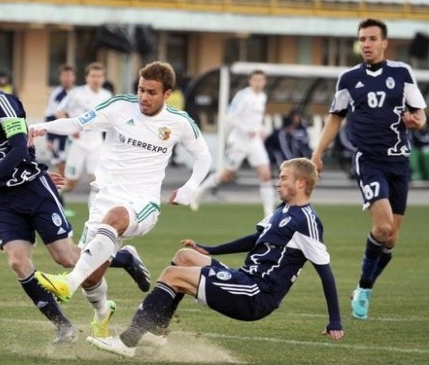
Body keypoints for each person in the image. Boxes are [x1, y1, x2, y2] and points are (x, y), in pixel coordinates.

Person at [0, 45, 151, 344]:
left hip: (34, 192)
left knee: (66, 258)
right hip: (5, 201)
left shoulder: (3, 104)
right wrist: (34, 167)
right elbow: (10, 151)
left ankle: (124, 256)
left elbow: (17, 147)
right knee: (17, 262)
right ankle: (63, 326)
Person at [28, 61, 212, 341]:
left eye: (151, 92)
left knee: (110, 224)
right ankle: (103, 312)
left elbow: (204, 156)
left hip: (143, 203)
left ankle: (68, 284)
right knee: (90, 273)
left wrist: (190, 187)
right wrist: (42, 126)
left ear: (167, 94)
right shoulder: (119, 107)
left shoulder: (179, 122)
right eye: (141, 90)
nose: (144, 97)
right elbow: (78, 123)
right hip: (104, 197)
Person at [87, 158, 344, 358]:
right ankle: (156, 329)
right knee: (184, 256)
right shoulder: (283, 210)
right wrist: (210, 249)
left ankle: (127, 341)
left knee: (171, 275)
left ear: (301, 183)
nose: (278, 182)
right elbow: (255, 239)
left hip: (256, 294)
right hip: (245, 279)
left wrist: (334, 319)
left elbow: (325, 271)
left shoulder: (307, 222)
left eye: (283, 178)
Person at [311, 18, 427, 320]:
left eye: (372, 39)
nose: (366, 44)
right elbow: (335, 117)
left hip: (399, 160)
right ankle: (363, 289)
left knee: (391, 239)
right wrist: (318, 152)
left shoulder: (402, 73)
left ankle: (365, 286)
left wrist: (417, 121)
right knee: (383, 226)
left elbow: (420, 114)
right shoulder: (348, 79)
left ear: (384, 43)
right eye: (362, 39)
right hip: (369, 159)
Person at [190, 70, 274, 217]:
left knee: (266, 175)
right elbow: (230, 117)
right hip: (239, 142)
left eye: (261, 80)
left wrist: (262, 130)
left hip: (255, 142)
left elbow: (256, 119)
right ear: (250, 80)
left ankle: (269, 213)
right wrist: (245, 130)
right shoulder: (243, 96)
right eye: (255, 80)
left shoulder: (262, 97)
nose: (258, 83)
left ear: (265, 82)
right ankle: (199, 191)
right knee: (226, 175)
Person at [55, 62, 112, 204]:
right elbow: (59, 111)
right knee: (70, 184)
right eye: (93, 76)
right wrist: (71, 127)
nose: (96, 79)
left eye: (99, 76)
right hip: (77, 144)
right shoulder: (76, 93)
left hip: (97, 144)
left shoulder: (107, 95)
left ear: (103, 78)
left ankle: (95, 217)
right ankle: (53, 199)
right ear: (87, 77)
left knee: (97, 182)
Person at [44, 64, 76, 215]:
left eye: (69, 75)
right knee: (60, 170)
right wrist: (49, 138)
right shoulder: (56, 94)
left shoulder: (78, 93)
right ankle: (58, 204)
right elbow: (50, 116)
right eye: (64, 76)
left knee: (70, 173)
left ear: (74, 77)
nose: (67, 78)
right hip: (59, 139)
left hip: (76, 140)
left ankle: (56, 202)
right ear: (60, 77)